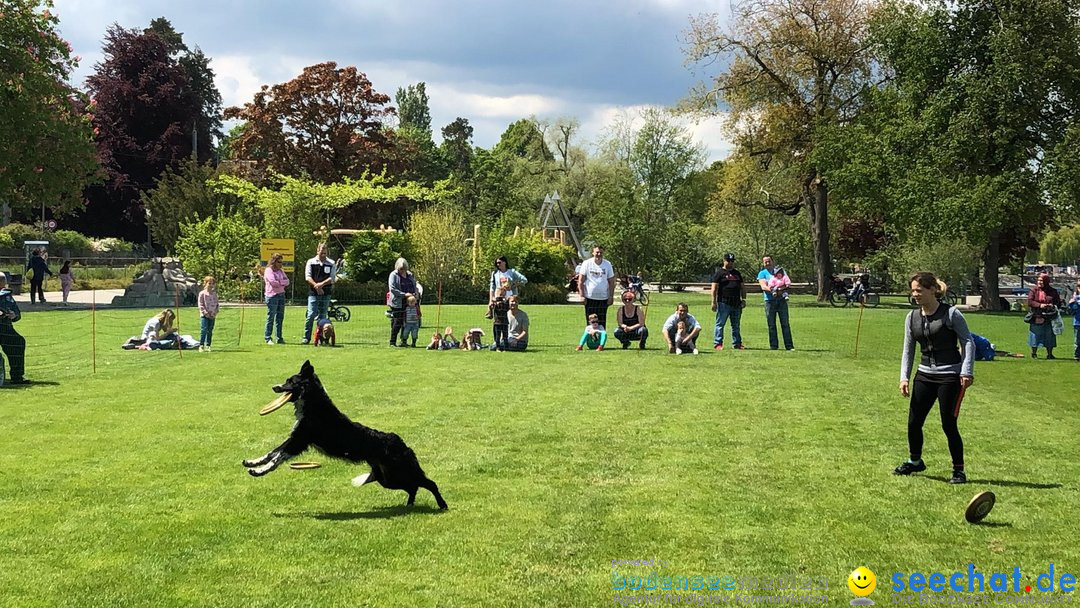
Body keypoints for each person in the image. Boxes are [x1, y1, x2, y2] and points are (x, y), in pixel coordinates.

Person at [895, 272, 975, 485]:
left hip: (950, 376)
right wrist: (904, 377)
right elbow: (908, 348)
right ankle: (915, 461)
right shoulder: (911, 317)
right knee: (913, 422)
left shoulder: (951, 314)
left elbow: (968, 342)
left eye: (919, 290)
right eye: (912, 291)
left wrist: (966, 371)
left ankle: (959, 471)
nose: (915, 295)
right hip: (924, 375)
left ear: (932, 290)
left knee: (948, 424)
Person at [303, 243, 337, 345]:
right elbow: (308, 277)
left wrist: (321, 285)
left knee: (323, 316)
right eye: (322, 252)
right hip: (313, 293)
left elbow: (332, 278)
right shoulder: (311, 262)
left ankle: (322, 338)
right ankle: (306, 337)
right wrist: (316, 286)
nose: (323, 254)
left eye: (325, 252)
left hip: (326, 293)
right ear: (317, 251)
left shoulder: (331, 263)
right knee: (311, 314)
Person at [757, 256, 794, 351]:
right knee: (771, 324)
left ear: (772, 261)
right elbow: (763, 286)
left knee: (785, 323)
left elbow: (786, 283)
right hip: (769, 301)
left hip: (781, 300)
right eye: (765, 262)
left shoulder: (780, 271)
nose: (767, 263)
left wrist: (780, 289)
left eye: (769, 261)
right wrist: (773, 290)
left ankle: (789, 346)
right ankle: (774, 346)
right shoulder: (762, 273)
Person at [710, 252, 746, 351]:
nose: (730, 263)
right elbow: (714, 288)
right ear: (724, 261)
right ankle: (718, 343)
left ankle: (737, 343)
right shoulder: (719, 273)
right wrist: (713, 302)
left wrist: (744, 299)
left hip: (736, 303)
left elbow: (742, 287)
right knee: (720, 324)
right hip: (723, 303)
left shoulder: (737, 273)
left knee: (736, 325)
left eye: (732, 261)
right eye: (728, 261)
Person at [577, 246, 616, 327]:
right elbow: (581, 281)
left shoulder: (607, 264)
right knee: (590, 324)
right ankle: (591, 339)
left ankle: (601, 339)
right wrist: (581, 296)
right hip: (589, 298)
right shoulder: (587, 263)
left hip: (603, 299)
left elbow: (611, 282)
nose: (599, 254)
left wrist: (611, 296)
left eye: (601, 252)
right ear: (593, 253)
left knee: (601, 323)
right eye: (597, 252)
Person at [1026, 272, 1062, 359]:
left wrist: (1052, 305)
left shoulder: (1053, 291)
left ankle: (1050, 354)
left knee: (1050, 335)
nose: (1039, 282)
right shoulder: (1033, 290)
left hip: (1049, 317)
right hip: (1037, 316)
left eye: (1041, 281)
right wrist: (1040, 305)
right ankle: (1034, 353)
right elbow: (1030, 302)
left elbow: (1058, 302)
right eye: (1038, 280)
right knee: (1035, 335)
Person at [0, 273, 27, 384]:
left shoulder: (6, 296)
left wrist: (13, 315)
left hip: (4, 327)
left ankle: (17, 376)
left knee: (18, 342)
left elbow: (17, 313)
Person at [388, 257, 418, 347]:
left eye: (404, 269)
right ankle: (392, 342)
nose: (403, 271)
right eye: (401, 269)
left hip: (410, 302)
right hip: (398, 303)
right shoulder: (393, 275)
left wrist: (415, 293)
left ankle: (403, 341)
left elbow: (415, 285)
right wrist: (404, 294)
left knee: (408, 322)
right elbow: (392, 289)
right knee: (398, 322)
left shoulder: (410, 274)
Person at [261, 253, 290, 345]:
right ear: (274, 261)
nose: (281, 264)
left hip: (281, 295)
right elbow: (273, 283)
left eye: (282, 262)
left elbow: (287, 281)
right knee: (271, 317)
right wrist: (282, 283)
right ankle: (268, 337)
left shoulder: (281, 271)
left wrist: (281, 282)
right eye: (279, 262)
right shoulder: (269, 270)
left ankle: (279, 337)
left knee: (280, 317)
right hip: (272, 296)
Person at [197, 276, 219, 352]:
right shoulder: (202, 294)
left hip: (212, 315)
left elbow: (216, 304)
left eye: (212, 283)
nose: (211, 285)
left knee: (210, 330)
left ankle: (208, 345)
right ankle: (201, 345)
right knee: (204, 329)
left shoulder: (214, 294)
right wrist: (205, 313)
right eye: (209, 283)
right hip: (204, 315)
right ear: (205, 283)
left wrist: (214, 312)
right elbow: (200, 304)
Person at [1069, 278, 1080, 362]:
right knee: (1077, 341)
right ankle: (1077, 356)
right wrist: (1071, 303)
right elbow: (1071, 311)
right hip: (1077, 322)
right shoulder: (1075, 295)